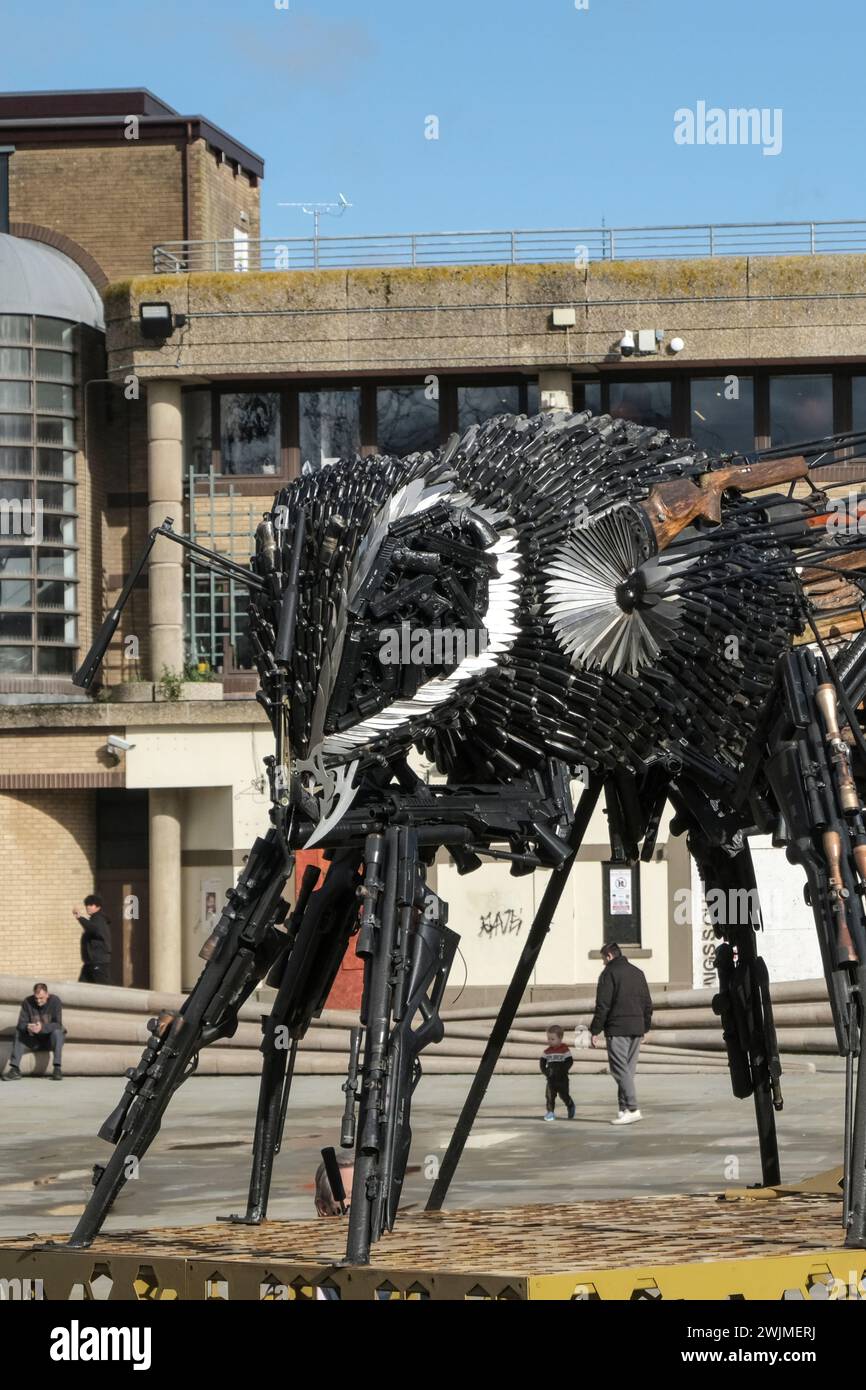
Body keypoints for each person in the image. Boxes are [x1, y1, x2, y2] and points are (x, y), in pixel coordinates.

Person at [590, 941, 653, 1125]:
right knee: (627, 1071)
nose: (603, 963)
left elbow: (603, 1005)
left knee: (619, 1069)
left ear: (609, 956)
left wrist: (595, 1030)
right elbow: (647, 1003)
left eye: (603, 959)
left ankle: (633, 1108)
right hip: (636, 1028)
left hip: (617, 1029)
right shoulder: (638, 973)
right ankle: (623, 1108)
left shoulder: (608, 973)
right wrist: (645, 1027)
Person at [1, 983, 64, 1080]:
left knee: (58, 1032)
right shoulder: (27, 1002)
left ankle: (57, 1068)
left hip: (49, 1041)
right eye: (36, 998)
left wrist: (42, 1027)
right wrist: (27, 1027)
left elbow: (58, 1024)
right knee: (19, 1032)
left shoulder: (55, 1001)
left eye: (41, 998)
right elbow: (21, 1024)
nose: (38, 1001)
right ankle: (15, 1069)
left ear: (47, 994)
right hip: (34, 1041)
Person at [73, 894, 112, 984]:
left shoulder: (99, 919)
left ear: (98, 906)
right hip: (90, 962)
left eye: (90, 905)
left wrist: (80, 918)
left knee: (103, 987)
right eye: (86, 905)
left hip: (98, 961)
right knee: (82, 986)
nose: (87, 907)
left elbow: (93, 929)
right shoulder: (94, 919)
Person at [540, 1023, 576, 1121]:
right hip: (551, 1079)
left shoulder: (564, 1050)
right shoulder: (547, 1051)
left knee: (563, 1095)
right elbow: (542, 1063)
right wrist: (546, 1072)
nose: (550, 1041)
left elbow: (570, 1061)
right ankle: (550, 1112)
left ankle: (570, 1105)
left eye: (552, 1039)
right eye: (548, 1039)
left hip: (562, 1079)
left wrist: (563, 1070)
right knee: (549, 1096)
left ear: (560, 1039)